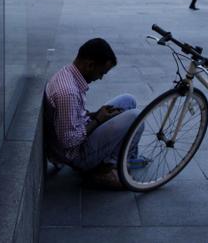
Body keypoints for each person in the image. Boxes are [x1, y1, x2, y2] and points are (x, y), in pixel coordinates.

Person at [44, 38, 144, 188]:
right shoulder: (68, 92)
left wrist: (95, 115)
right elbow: (69, 142)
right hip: (78, 155)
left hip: (81, 132)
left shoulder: (68, 73)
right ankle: (106, 169)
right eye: (101, 72)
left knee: (128, 100)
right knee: (136, 118)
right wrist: (98, 120)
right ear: (90, 65)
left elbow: (73, 117)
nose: (101, 78)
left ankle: (125, 157)